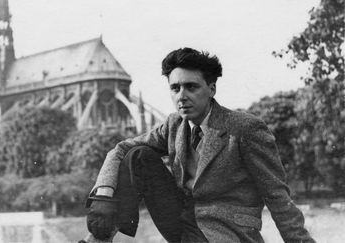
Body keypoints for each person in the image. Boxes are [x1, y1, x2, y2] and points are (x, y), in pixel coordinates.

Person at [83, 48, 315, 243]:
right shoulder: (174, 124)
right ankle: (99, 239)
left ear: (211, 89)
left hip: (225, 233)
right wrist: (104, 193)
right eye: (175, 88)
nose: (181, 96)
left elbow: (277, 195)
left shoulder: (245, 128)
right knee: (138, 155)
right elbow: (121, 149)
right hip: (181, 223)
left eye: (191, 87)